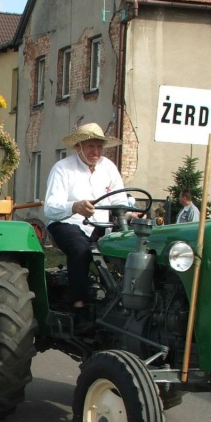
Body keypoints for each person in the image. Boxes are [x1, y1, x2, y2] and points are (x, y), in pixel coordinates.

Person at [44, 122, 127, 327]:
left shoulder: (108, 167)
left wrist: (130, 213)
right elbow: (51, 208)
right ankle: (78, 307)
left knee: (132, 245)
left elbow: (120, 200)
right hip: (67, 223)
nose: (96, 151)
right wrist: (75, 206)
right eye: (91, 146)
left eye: (99, 146)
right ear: (78, 146)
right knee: (81, 249)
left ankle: (125, 301)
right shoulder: (63, 168)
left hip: (101, 226)